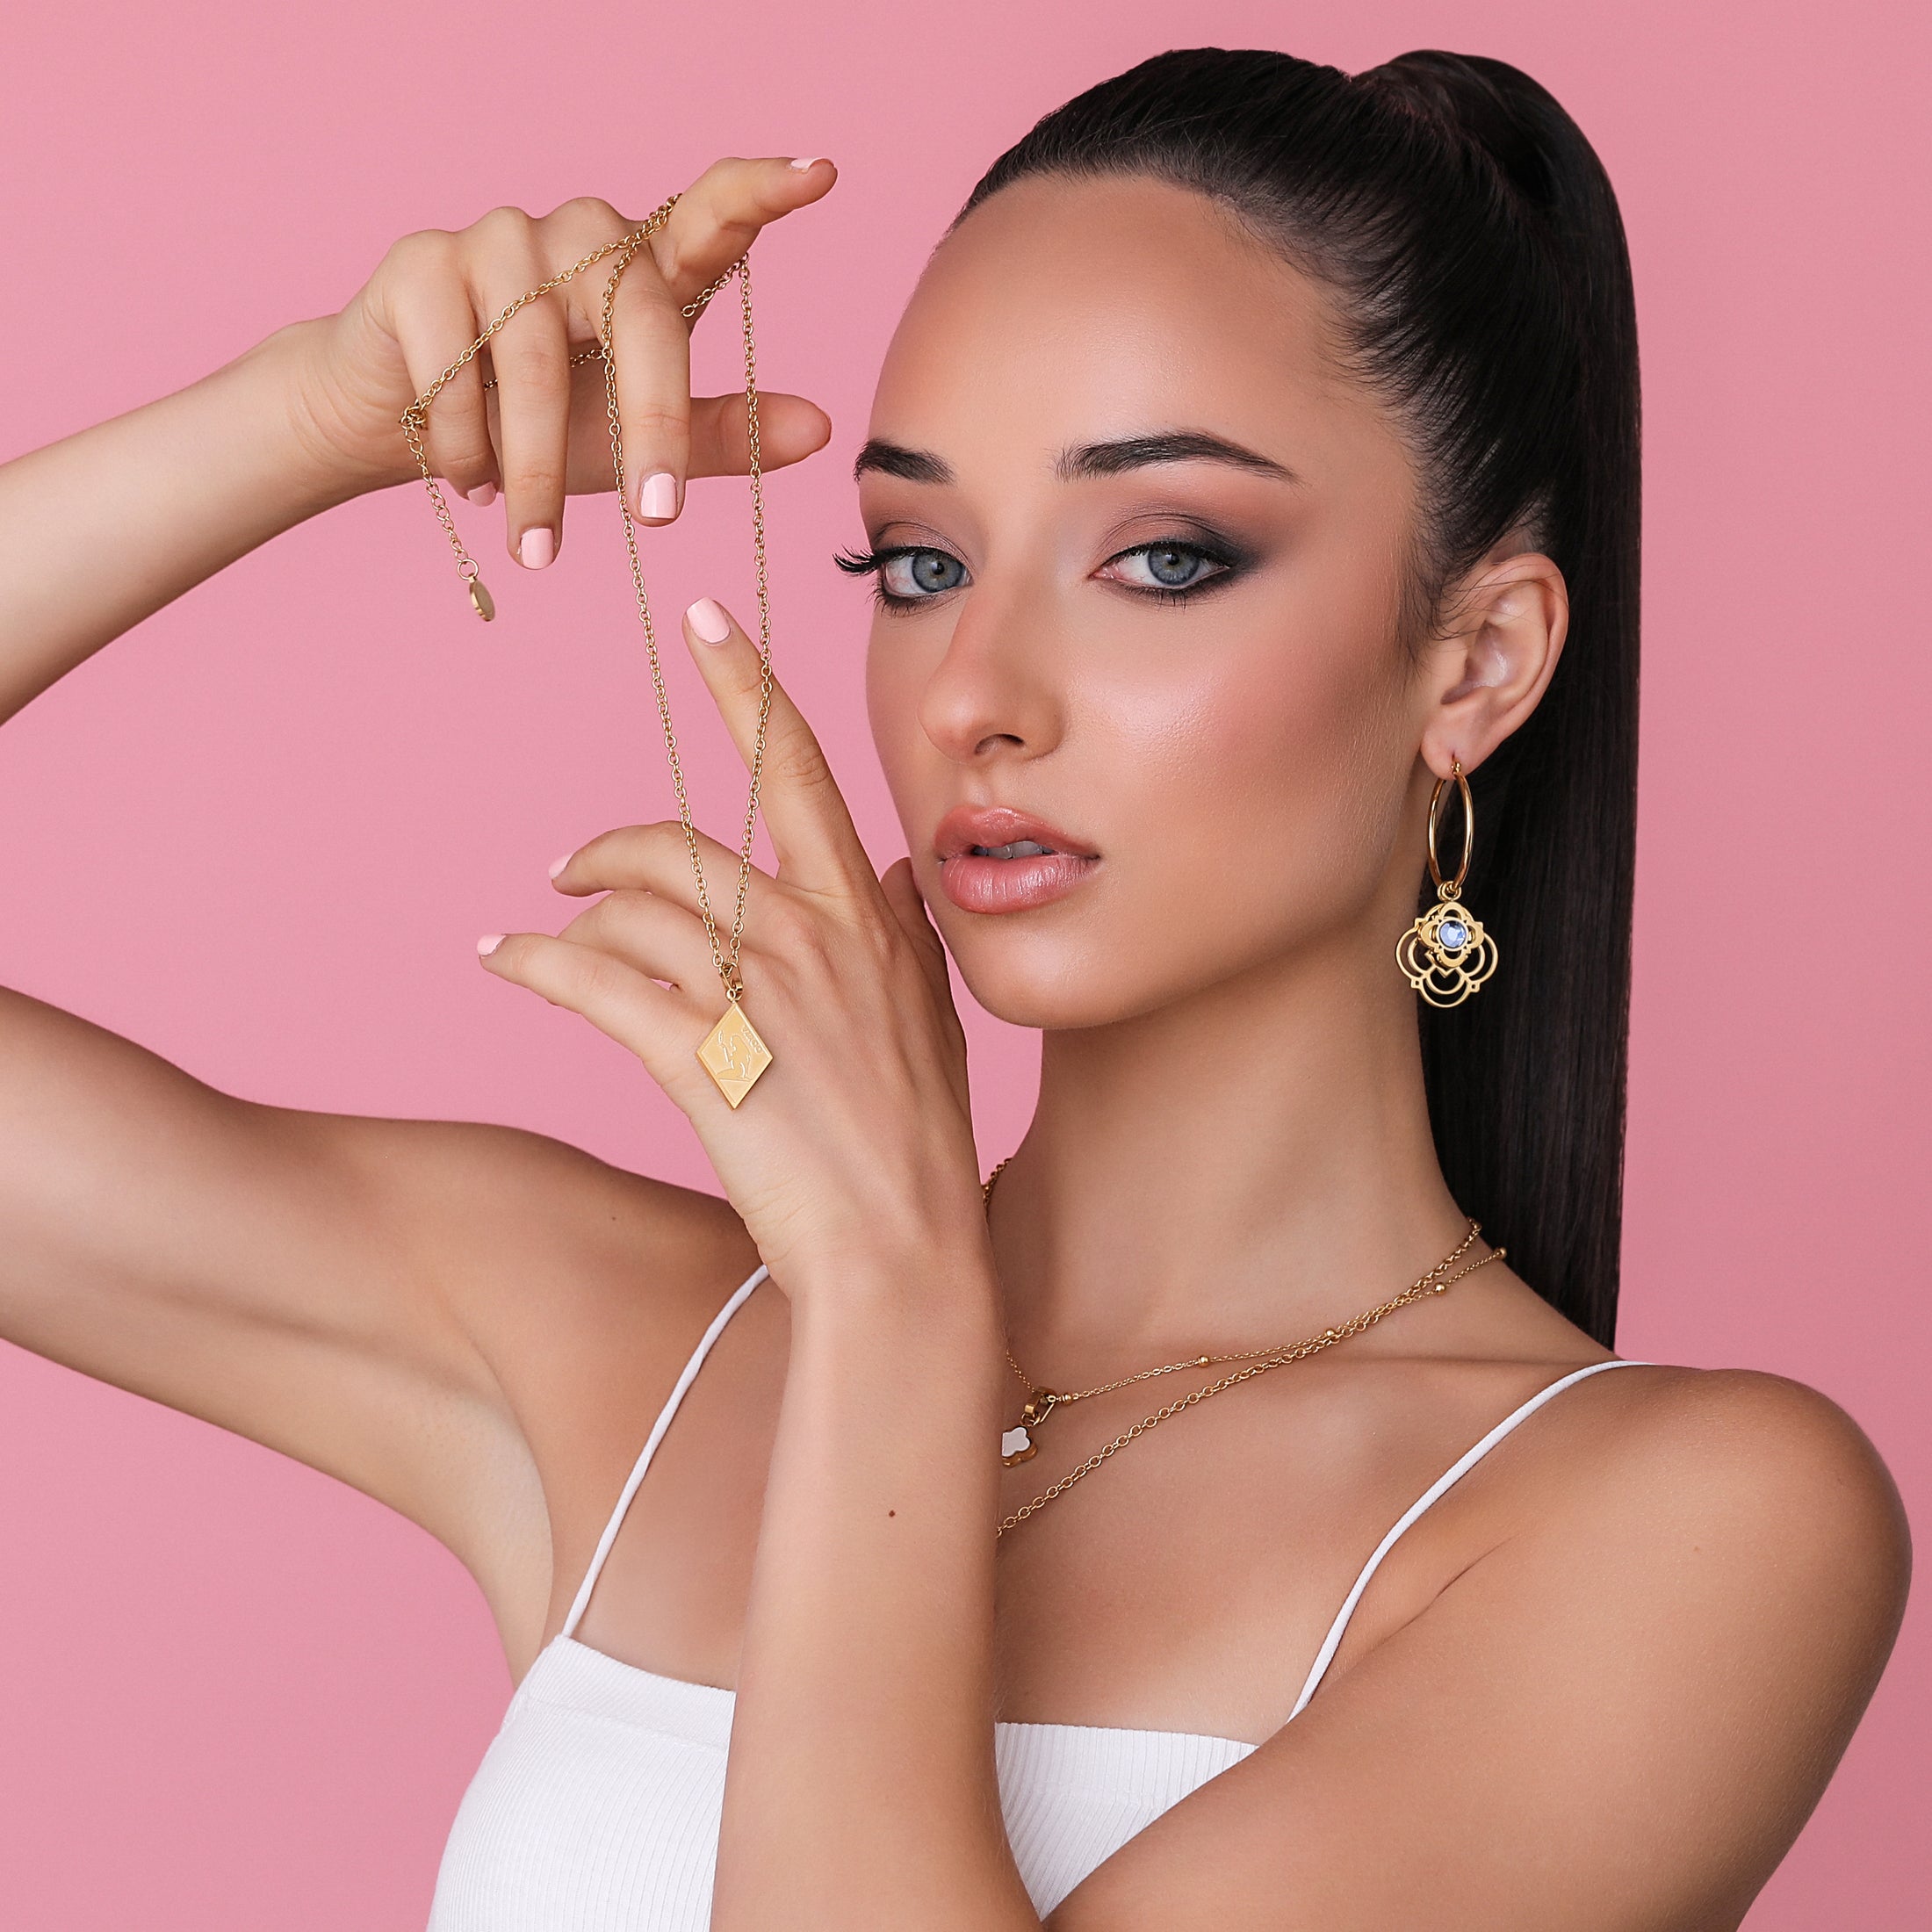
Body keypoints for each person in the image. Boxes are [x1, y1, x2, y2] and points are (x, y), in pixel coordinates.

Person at [0, 44, 1908, 1932]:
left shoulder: (1682, 1528)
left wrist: (897, 1305)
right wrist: (312, 419)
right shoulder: (619, 1344)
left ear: (1474, 661)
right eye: (918, 561)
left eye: (1163, 558)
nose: (974, 692)